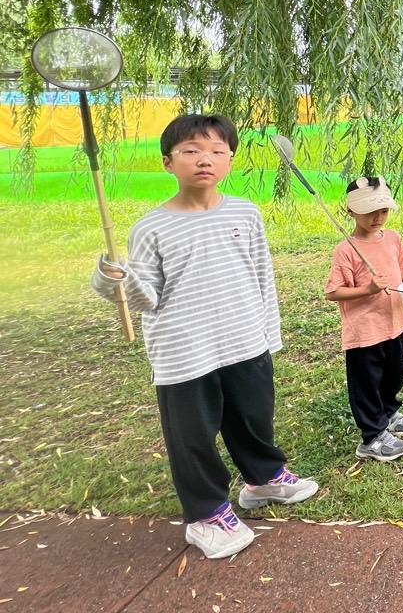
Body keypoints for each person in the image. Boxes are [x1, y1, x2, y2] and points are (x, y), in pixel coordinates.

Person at [89, 115, 317, 560]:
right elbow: (145, 298)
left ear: (230, 160)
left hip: (244, 339)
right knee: (192, 435)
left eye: (217, 151)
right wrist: (116, 279)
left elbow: (262, 276)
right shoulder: (151, 228)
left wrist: (268, 334)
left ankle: (263, 479)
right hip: (184, 350)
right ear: (168, 162)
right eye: (191, 151)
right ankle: (206, 514)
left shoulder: (245, 213)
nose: (204, 160)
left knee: (253, 417)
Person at [324, 176, 403, 461]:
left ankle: (389, 413)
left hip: (395, 321)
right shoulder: (347, 249)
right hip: (365, 330)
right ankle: (372, 436)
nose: (378, 217)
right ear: (350, 211)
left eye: (383, 210)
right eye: (369, 211)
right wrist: (367, 289)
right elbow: (332, 292)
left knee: (393, 374)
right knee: (367, 383)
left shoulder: (392, 238)